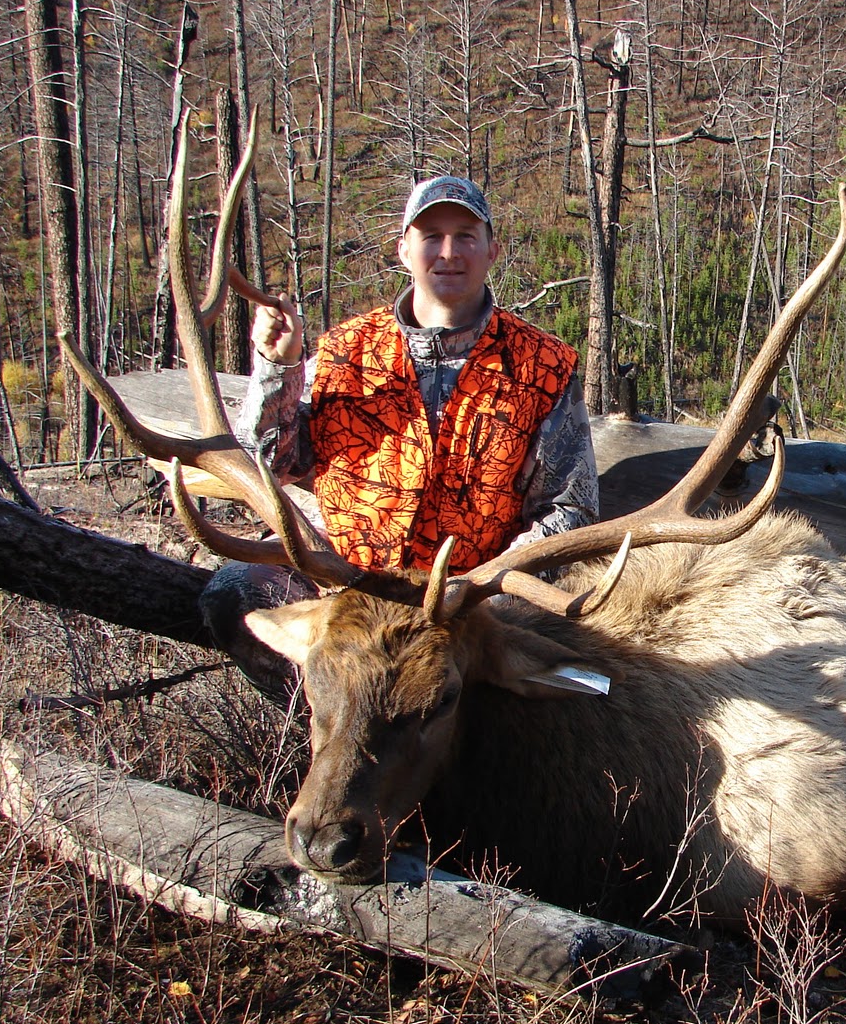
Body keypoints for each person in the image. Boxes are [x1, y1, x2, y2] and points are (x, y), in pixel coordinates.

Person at [200, 174, 599, 702]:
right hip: (344, 594)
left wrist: (482, 595)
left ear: (491, 250)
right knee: (232, 596)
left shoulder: (541, 366)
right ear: (404, 250)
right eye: (431, 235)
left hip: (465, 610)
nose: (448, 252)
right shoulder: (345, 350)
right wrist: (279, 367)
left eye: (466, 235)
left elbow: (570, 508)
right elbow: (273, 463)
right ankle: (330, 726)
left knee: (584, 679)